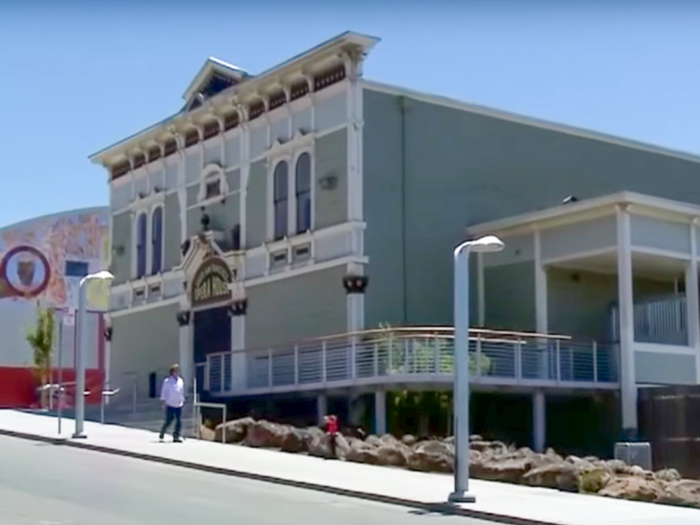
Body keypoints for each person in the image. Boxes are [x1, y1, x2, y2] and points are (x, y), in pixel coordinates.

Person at [159, 364, 185, 443]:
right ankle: (162, 432)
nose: (177, 373)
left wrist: (182, 400)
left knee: (178, 421)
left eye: (178, 371)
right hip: (170, 403)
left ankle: (176, 436)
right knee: (169, 420)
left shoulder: (180, 381)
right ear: (172, 372)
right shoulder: (167, 381)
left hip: (178, 404)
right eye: (175, 371)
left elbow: (181, 391)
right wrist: (163, 401)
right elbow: (164, 392)